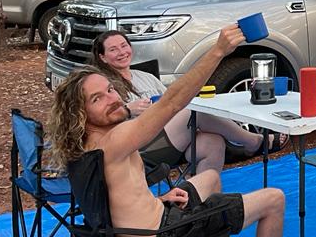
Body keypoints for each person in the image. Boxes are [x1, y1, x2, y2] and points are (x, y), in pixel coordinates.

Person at [49, 25, 316, 237]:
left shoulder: (81, 143)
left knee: (211, 177)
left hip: (126, 235)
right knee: (274, 199)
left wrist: (157, 200)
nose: (113, 99)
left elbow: (114, 193)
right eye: (97, 99)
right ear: (80, 113)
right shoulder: (114, 140)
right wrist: (217, 51)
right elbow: (174, 102)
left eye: (110, 90)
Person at [90, 30, 282, 175]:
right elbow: (98, 123)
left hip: (170, 139)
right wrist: (127, 110)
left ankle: (201, 203)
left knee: (212, 142)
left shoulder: (146, 77)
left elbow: (172, 102)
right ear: (102, 57)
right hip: (138, 150)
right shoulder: (104, 86)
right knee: (190, 112)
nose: (122, 52)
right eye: (113, 49)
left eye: (124, 45)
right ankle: (253, 141)